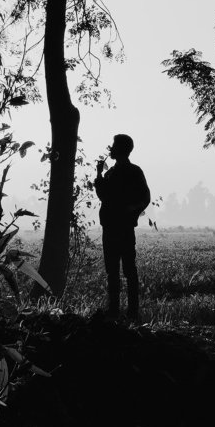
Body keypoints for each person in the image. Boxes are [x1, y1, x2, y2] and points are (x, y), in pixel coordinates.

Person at [94, 134, 150, 322]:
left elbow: (144, 197)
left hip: (120, 227)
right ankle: (119, 312)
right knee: (117, 271)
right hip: (113, 227)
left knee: (125, 270)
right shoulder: (115, 172)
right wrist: (99, 175)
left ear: (121, 149)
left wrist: (131, 210)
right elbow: (104, 195)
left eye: (114, 146)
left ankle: (126, 312)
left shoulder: (132, 172)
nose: (111, 149)